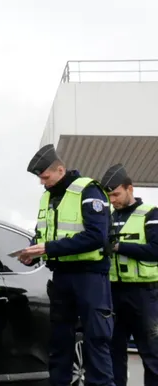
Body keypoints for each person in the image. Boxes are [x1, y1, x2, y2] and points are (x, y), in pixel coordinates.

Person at [17, 145, 114, 386]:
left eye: (46, 176)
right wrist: (32, 250)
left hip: (90, 277)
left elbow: (96, 236)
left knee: (96, 342)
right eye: (40, 178)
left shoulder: (88, 190)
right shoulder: (47, 197)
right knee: (59, 343)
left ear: (60, 169)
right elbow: (42, 234)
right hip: (61, 278)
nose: (43, 182)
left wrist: (48, 249)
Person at [103, 163, 158, 386]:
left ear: (130, 188)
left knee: (152, 354)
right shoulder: (108, 218)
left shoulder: (151, 214)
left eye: (116, 194)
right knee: (114, 353)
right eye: (109, 196)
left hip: (144, 294)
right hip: (113, 293)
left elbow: (156, 250)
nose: (112, 200)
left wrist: (118, 247)